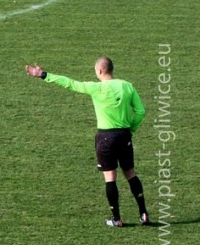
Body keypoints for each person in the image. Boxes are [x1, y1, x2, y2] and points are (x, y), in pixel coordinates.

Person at [26, 57, 148, 227]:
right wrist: (130, 130)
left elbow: (70, 83)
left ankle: (117, 219)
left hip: (105, 138)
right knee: (130, 174)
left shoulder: (96, 88)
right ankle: (143, 213)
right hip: (124, 136)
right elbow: (141, 112)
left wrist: (43, 75)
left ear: (100, 71)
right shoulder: (127, 86)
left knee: (110, 178)